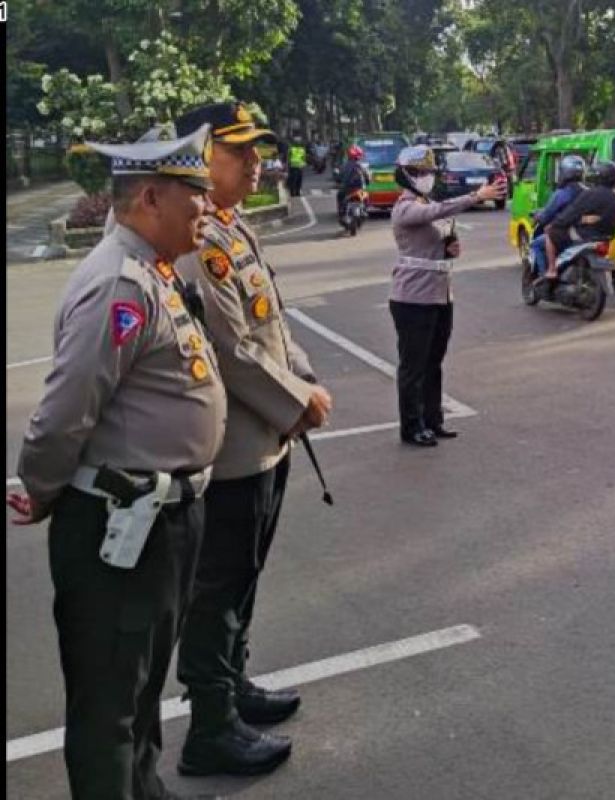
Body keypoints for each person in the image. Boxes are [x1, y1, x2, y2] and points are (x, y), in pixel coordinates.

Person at [7, 125, 226, 800]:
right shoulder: (118, 285)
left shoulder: (154, 272)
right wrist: (41, 490)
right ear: (153, 197)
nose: (207, 215)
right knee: (110, 704)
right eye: (196, 201)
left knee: (143, 682)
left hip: (160, 519)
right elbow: (65, 411)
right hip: (117, 530)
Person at [171, 102, 334, 777]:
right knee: (217, 588)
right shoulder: (198, 241)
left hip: (268, 437)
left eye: (257, 149)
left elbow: (274, 322)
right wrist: (299, 402)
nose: (257, 161)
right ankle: (209, 728)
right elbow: (231, 351)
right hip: (233, 450)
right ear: (201, 157)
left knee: (244, 578)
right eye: (240, 151)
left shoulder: (233, 231)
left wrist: (302, 379)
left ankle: (233, 688)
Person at [389, 145, 506, 447]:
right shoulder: (405, 206)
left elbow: (440, 235)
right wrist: (475, 197)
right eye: (418, 172)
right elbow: (435, 213)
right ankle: (412, 426)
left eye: (428, 172)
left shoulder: (426, 202)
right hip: (412, 298)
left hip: (440, 295)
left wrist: (450, 247)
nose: (425, 177)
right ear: (404, 175)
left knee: (434, 362)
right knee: (413, 366)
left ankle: (433, 419)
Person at [542, 160, 615, 281]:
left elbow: (572, 213)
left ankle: (552, 269)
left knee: (550, 233)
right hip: (607, 237)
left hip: (585, 235)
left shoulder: (591, 194)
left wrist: (555, 223)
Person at [529, 154, 587, 276]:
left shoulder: (562, 194)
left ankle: (544, 277)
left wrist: (538, 216)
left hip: (565, 235)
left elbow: (547, 214)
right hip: (585, 235)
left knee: (536, 245)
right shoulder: (588, 192)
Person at [337, 144, 372, 225]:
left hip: (347, 190)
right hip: (358, 190)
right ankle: (364, 210)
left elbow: (339, 177)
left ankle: (341, 213)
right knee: (366, 197)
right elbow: (367, 178)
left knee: (340, 197)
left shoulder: (344, 165)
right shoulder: (362, 166)